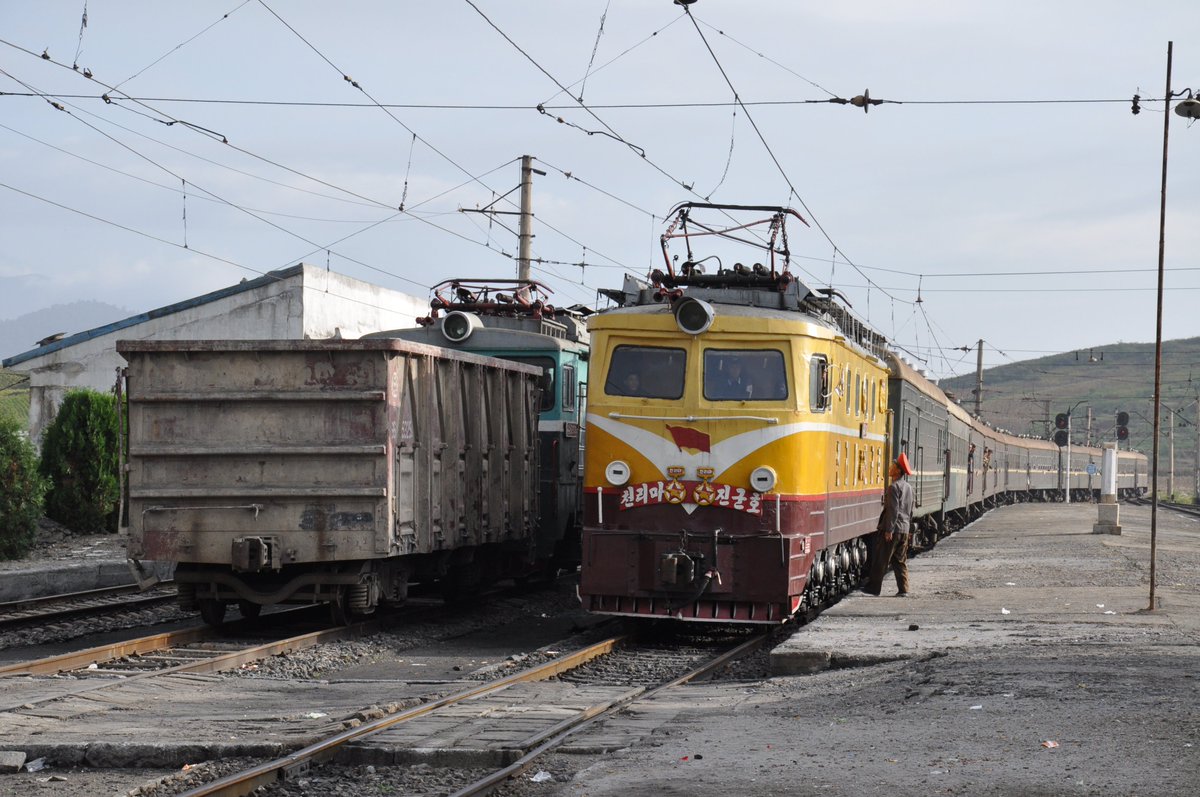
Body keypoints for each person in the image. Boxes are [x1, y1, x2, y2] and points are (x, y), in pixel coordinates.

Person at [864, 452, 916, 596]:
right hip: (904, 529)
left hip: (894, 530)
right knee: (900, 561)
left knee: (881, 559)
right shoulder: (909, 488)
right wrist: (909, 528)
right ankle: (903, 589)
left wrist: (889, 530)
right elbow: (911, 510)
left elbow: (893, 510)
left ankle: (873, 588)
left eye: (893, 466)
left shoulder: (893, 488)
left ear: (898, 471)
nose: (890, 468)